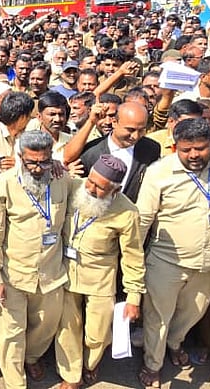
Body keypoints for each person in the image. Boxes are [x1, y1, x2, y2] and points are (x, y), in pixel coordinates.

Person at [135, 118, 210, 387]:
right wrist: (134, 259)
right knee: (157, 317)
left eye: (200, 148)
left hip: (209, 262)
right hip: (166, 262)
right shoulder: (159, 172)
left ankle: (174, 343)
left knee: (192, 313)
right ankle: (153, 363)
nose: (194, 155)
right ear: (176, 147)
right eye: (186, 150)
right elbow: (143, 218)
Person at [0, 130, 72, 388]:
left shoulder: (62, 179)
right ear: (20, 157)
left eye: (44, 161)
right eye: (31, 162)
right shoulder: (4, 184)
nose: (37, 168)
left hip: (51, 273)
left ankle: (31, 357)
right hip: (14, 275)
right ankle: (15, 382)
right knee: (11, 333)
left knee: (46, 326)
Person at [55, 154, 145, 388]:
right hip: (66, 272)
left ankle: (90, 363)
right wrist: (56, 163)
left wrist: (133, 297)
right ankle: (71, 376)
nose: (91, 189)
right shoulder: (73, 187)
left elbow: (133, 257)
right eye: (91, 182)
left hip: (100, 278)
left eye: (100, 188)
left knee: (98, 332)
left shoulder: (127, 212)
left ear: (116, 190)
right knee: (68, 328)